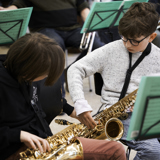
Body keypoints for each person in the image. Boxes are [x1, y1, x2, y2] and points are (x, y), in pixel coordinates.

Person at [0, 32, 126, 160]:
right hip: (15, 151)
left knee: (116, 149)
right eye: (46, 73)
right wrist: (19, 135)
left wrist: (71, 110)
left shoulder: (24, 75)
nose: (47, 76)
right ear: (29, 69)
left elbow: (42, 98)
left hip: (43, 142)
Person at [67, 2, 160, 160]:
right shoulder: (111, 49)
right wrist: (80, 103)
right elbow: (75, 69)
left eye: (134, 41)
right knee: (153, 152)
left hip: (148, 115)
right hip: (116, 116)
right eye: (124, 37)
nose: (127, 44)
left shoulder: (158, 56)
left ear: (151, 37)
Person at [0, 0, 105, 97]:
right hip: (45, 29)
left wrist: (89, 26)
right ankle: (58, 99)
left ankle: (71, 70)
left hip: (72, 29)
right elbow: (18, 5)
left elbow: (83, 7)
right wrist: (6, 10)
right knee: (54, 49)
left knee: (99, 47)